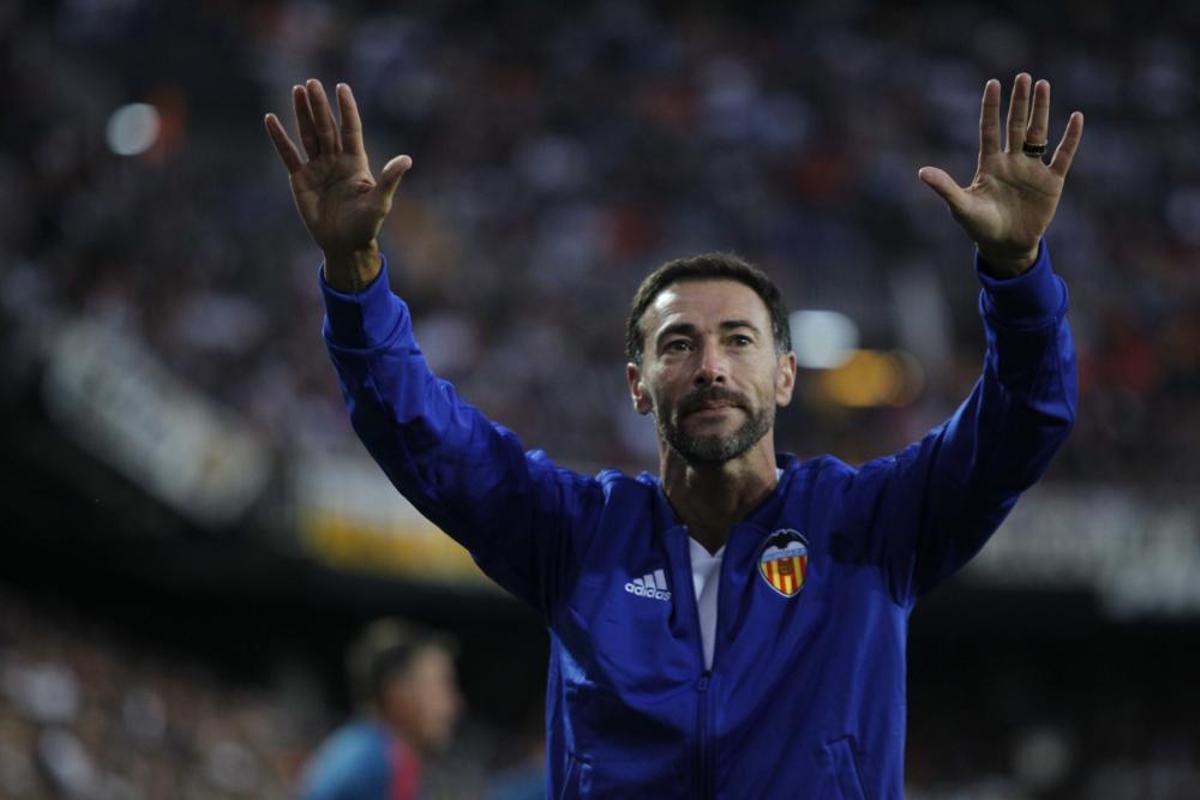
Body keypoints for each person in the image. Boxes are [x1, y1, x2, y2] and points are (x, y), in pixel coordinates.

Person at [266, 72, 1083, 798]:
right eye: (678, 345)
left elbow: (1023, 422)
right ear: (638, 385)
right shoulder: (575, 536)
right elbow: (424, 437)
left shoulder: (870, 526)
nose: (710, 367)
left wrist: (1017, 275)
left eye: (738, 340)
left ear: (785, 376)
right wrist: (355, 276)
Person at [298, 619, 461, 800]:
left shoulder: (386, 756)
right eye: (441, 686)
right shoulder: (364, 763)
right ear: (398, 693)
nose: (454, 705)